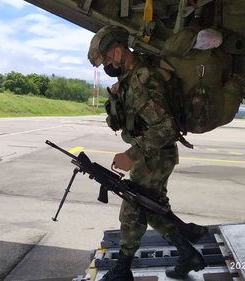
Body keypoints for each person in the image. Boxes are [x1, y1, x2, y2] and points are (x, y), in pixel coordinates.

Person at [87, 25, 207, 280]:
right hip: (152, 154)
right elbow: (124, 122)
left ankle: (122, 271)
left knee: (133, 211)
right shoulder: (129, 80)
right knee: (150, 209)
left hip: (155, 156)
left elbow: (166, 127)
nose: (107, 65)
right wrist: (115, 103)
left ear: (118, 52)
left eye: (108, 59)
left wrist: (131, 155)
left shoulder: (142, 79)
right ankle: (188, 253)